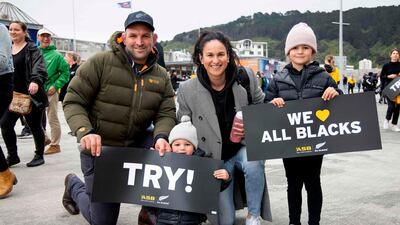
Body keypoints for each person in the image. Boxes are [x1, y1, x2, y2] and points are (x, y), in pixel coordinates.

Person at [61, 11, 176, 225]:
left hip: (135, 147)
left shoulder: (161, 75)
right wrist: (85, 131)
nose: (139, 42)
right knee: (102, 221)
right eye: (133, 35)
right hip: (101, 150)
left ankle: (150, 211)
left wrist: (162, 136)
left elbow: (166, 112)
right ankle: (74, 186)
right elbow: (73, 100)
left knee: (170, 152)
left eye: (145, 36)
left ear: (154, 39)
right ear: (124, 37)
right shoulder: (101, 62)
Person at [175, 30, 272, 225]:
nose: (215, 60)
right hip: (213, 159)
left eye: (221, 54)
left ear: (228, 55)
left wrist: (254, 123)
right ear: (200, 58)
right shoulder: (186, 90)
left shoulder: (246, 77)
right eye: (209, 55)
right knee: (224, 221)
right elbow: (182, 126)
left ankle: (254, 216)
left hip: (240, 148)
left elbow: (263, 107)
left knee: (254, 160)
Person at [265, 22, 340, 225]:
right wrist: (272, 103)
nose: (300, 51)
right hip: (289, 142)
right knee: (294, 183)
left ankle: (314, 221)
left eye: (305, 47)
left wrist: (335, 93)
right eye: (296, 47)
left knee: (313, 182)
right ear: (289, 51)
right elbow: (265, 106)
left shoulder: (324, 77)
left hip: (316, 140)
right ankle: (293, 221)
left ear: (313, 51)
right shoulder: (278, 79)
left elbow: (341, 103)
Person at [156, 115, 230, 225]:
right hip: (165, 218)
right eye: (177, 144)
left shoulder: (204, 164)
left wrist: (225, 178)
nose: (182, 148)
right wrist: (151, 161)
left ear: (194, 146)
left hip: (192, 219)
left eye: (187, 144)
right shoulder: (162, 163)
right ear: (170, 146)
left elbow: (213, 187)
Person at [1, 21, 48, 167]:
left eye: (16, 29)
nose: (13, 32)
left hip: (31, 95)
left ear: (24, 32)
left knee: (34, 125)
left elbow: (39, 66)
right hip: (14, 96)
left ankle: (39, 155)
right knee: (5, 124)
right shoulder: (7, 48)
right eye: (11, 30)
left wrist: (35, 81)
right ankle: (13, 156)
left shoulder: (32, 48)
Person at [37, 28, 70, 155]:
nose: (46, 38)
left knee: (52, 118)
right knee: (33, 118)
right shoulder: (34, 52)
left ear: (51, 39)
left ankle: (55, 145)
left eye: (48, 36)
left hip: (50, 92)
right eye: (43, 36)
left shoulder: (56, 55)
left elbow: (65, 73)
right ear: (39, 37)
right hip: (35, 90)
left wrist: (55, 86)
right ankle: (44, 138)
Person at [0, 23, 18, 198]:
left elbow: (2, 60)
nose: (14, 32)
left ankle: (4, 173)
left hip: (1, 85)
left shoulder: (0, 30)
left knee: (6, 124)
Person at [380, 48, 400, 132]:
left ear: (399, 55)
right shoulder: (386, 66)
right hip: (389, 88)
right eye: (393, 53)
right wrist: (388, 76)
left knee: (398, 107)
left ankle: (394, 124)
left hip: (399, 88)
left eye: (397, 53)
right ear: (390, 55)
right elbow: (381, 77)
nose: (395, 55)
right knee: (391, 106)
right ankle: (386, 120)